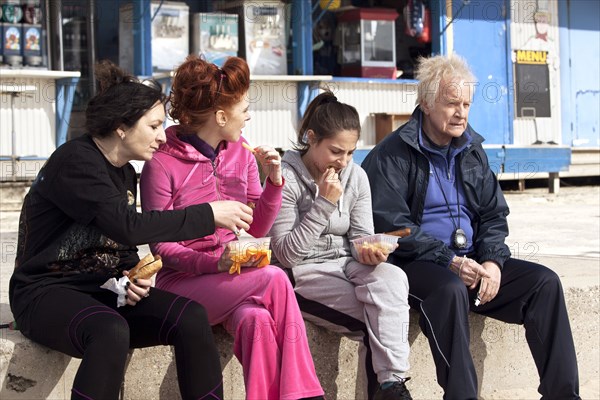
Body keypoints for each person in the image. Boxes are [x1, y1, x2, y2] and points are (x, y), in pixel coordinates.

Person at [7, 61, 259, 399]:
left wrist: (129, 275)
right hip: (43, 293)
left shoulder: (124, 171)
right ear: (122, 127)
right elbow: (128, 227)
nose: (161, 136)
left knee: (190, 317)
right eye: (154, 126)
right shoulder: (75, 162)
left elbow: (119, 245)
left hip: (102, 289)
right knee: (109, 330)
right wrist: (208, 214)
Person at [361, 54, 580, 399]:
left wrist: (492, 261)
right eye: (452, 103)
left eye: (466, 104)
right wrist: (449, 260)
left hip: (473, 262)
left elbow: (494, 214)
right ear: (427, 103)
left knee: (545, 284)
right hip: (417, 265)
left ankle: (564, 395)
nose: (461, 112)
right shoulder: (392, 154)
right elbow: (392, 226)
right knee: (448, 289)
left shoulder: (471, 150)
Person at [139, 55, 324, 400]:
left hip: (233, 277)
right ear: (221, 116)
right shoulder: (161, 164)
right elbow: (160, 247)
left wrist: (274, 182)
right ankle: (306, 392)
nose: (249, 115)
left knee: (256, 321)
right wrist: (215, 263)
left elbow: (258, 228)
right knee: (274, 277)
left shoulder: (241, 152)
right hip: (182, 283)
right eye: (245, 108)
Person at [268, 91, 413, 400]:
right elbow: (286, 254)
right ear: (311, 138)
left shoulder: (356, 176)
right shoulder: (286, 178)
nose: (344, 161)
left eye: (351, 152)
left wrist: (371, 251)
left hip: (346, 265)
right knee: (378, 322)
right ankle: (389, 388)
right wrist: (323, 204)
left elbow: (360, 237)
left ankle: (392, 386)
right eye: (336, 151)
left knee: (393, 277)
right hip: (301, 273)